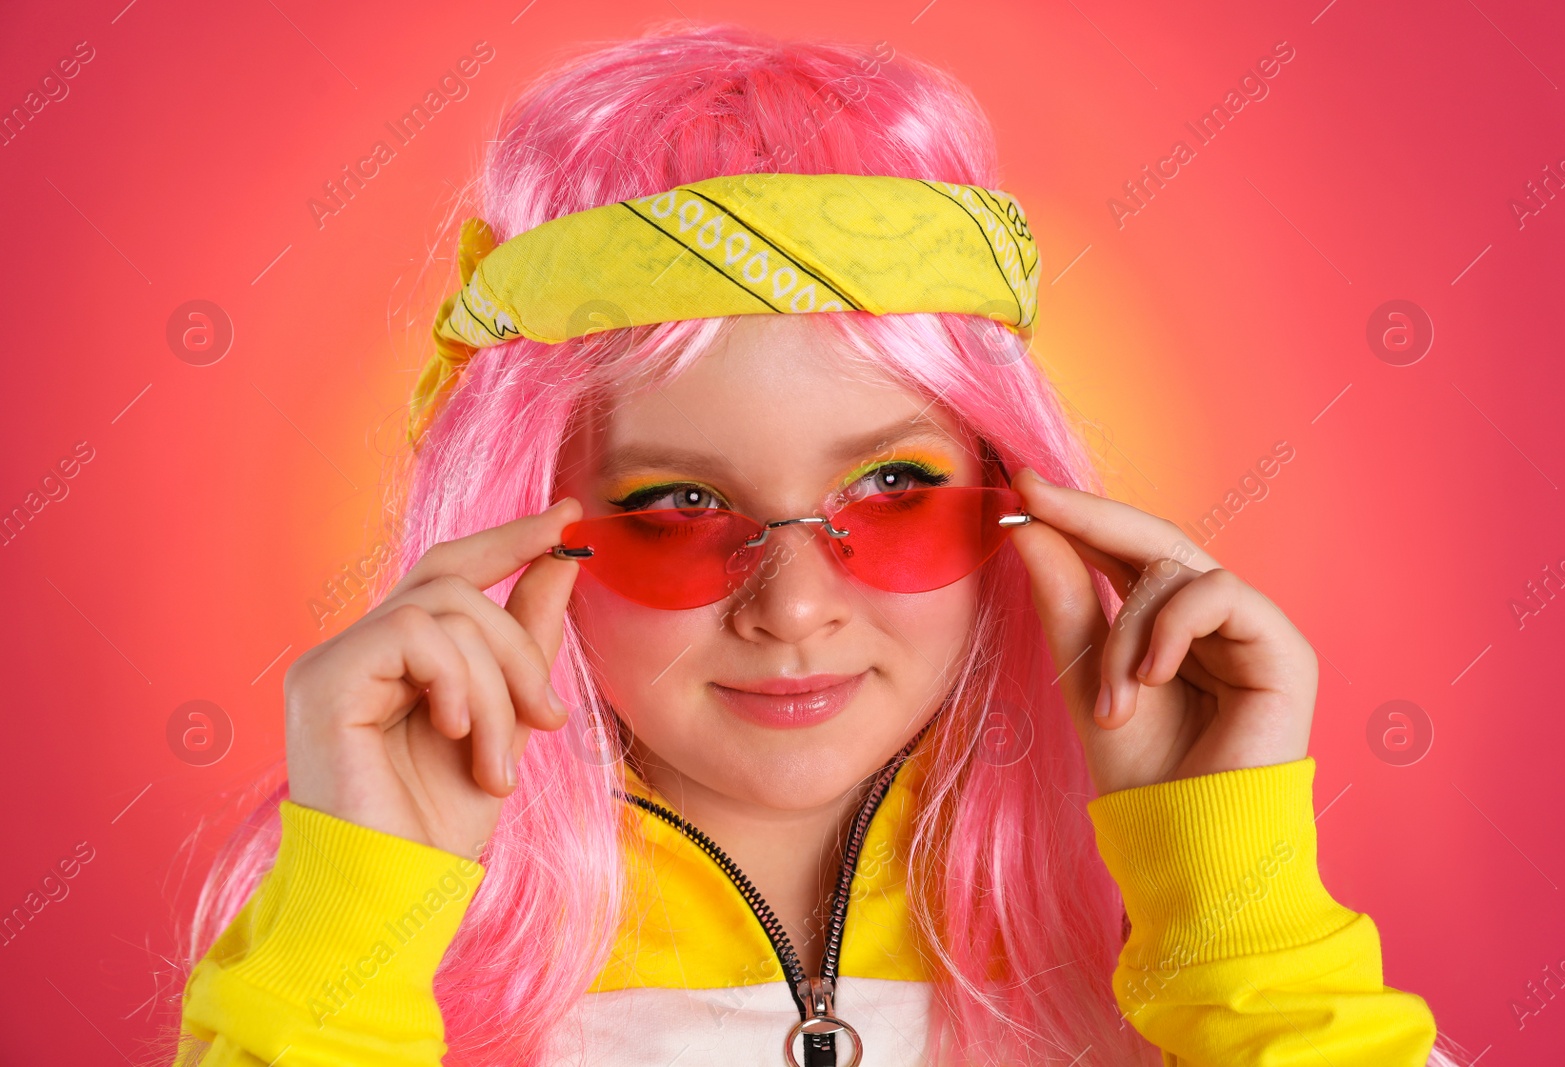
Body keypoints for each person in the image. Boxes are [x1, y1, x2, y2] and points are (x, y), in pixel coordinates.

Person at [167, 22, 1456, 1067]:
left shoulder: (1139, 921)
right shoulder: (382, 947)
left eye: (895, 483)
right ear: (524, 527)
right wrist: (360, 911)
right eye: (675, 505)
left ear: (1022, 504)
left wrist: (1234, 903)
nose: (791, 609)